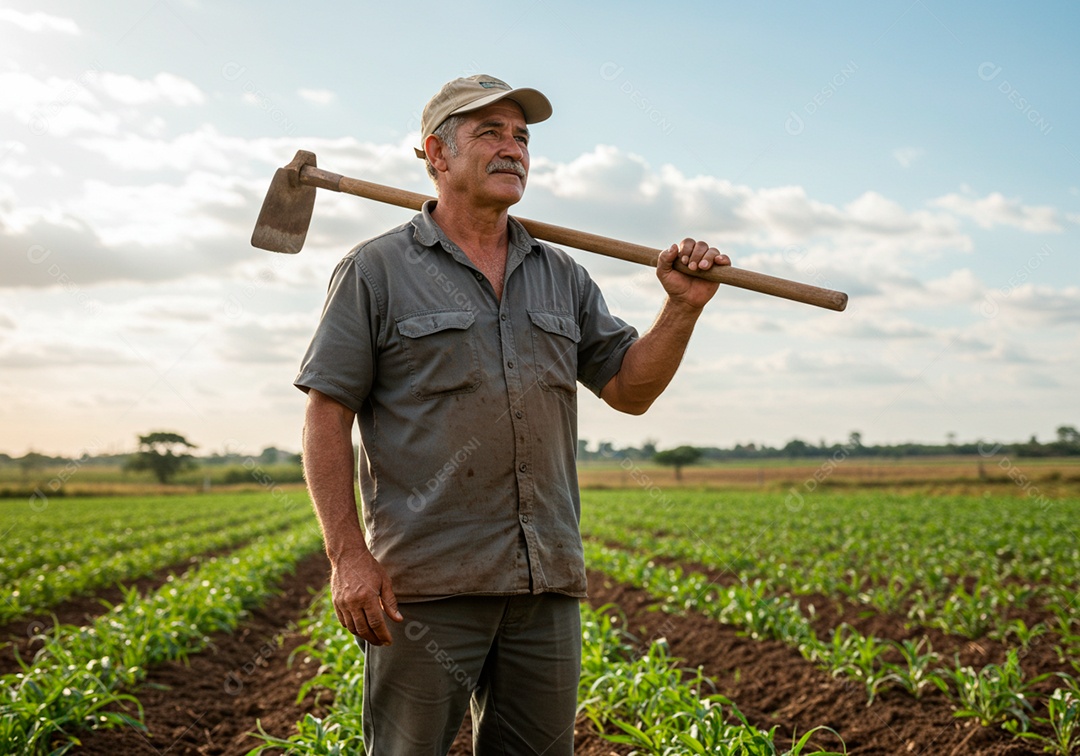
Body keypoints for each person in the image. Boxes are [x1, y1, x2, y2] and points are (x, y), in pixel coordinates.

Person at [294, 74, 729, 755]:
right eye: (489, 133)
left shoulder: (562, 275)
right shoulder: (375, 271)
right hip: (426, 588)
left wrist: (681, 307)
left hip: (544, 580)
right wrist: (347, 555)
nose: (513, 149)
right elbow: (327, 413)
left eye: (522, 137)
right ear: (437, 154)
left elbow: (630, 389)